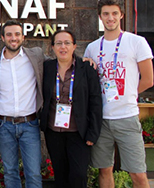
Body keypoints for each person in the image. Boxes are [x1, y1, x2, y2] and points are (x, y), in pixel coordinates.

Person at [84, 0, 154, 188]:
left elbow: (148, 80)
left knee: (138, 174)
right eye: (106, 14)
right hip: (101, 119)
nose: (110, 18)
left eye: (114, 13)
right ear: (100, 16)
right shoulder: (92, 48)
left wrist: (128, 94)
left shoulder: (136, 42)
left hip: (127, 117)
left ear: (121, 15)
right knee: (104, 170)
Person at [40, 30, 102, 188]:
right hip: (54, 132)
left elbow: (95, 101)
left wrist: (93, 133)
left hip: (79, 133)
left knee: (79, 175)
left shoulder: (87, 68)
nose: (63, 47)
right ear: (52, 47)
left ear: (74, 46)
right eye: (58, 43)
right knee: (60, 174)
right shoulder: (46, 68)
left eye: (67, 43)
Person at [0, 20, 45, 188]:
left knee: (33, 173)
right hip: (3, 124)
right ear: (2, 38)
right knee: (10, 171)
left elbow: (61, 61)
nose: (14, 38)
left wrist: (82, 60)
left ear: (23, 37)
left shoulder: (36, 55)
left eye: (17, 34)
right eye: (9, 35)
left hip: (30, 123)